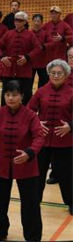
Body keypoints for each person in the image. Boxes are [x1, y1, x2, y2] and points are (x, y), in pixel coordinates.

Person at [0, 80, 44, 242]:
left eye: (15, 95)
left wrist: (29, 153)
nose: (11, 98)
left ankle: (32, 236)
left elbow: (39, 137)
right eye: (7, 94)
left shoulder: (30, 115)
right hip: (1, 165)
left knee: (30, 202)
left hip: (26, 165)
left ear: (22, 96)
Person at [28, 59, 72, 214]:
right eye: (53, 73)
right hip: (43, 141)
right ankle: (35, 200)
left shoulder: (72, 92)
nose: (56, 75)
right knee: (38, 172)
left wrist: (70, 126)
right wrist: (38, 123)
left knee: (67, 174)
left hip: (65, 142)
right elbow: (29, 111)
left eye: (59, 73)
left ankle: (71, 202)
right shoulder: (41, 91)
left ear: (66, 75)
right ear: (48, 74)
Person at [0, 11, 40, 105]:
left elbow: (38, 48)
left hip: (24, 71)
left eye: (20, 20)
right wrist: (2, 57)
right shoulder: (8, 34)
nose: (17, 22)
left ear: (25, 22)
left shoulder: (30, 35)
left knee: (26, 97)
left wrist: (27, 57)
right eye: (16, 20)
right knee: (6, 96)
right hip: (9, 70)